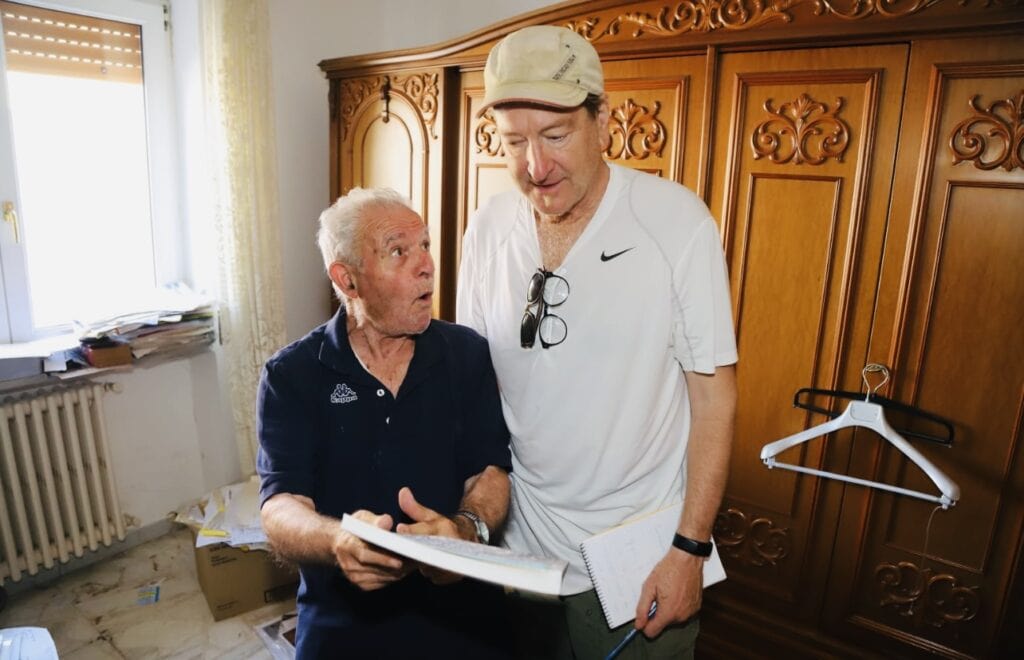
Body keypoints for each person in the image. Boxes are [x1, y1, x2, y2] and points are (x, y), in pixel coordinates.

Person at [456, 25, 738, 659]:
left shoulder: (676, 222)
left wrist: (689, 549)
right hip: (518, 553)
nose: (536, 166)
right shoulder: (489, 226)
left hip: (637, 558)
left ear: (602, 119)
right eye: (515, 142)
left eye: (556, 136)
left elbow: (714, 399)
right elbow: (476, 383)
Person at [257, 187, 513, 659]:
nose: (426, 265)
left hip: (464, 617)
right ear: (347, 280)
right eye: (399, 251)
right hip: (344, 624)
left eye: (425, 246)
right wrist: (338, 540)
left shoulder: (467, 355)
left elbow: (490, 472)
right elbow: (281, 507)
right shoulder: (292, 375)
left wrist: (465, 529)